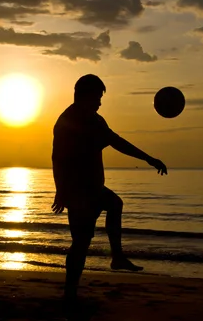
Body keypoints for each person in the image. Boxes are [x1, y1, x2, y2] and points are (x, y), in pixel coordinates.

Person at [52, 74, 168, 306]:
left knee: (114, 205)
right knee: (81, 243)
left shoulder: (95, 120)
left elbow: (117, 142)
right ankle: (70, 292)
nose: (99, 102)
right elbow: (58, 158)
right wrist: (61, 190)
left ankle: (115, 257)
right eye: (97, 97)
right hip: (79, 192)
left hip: (93, 188)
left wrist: (149, 159)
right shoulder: (68, 122)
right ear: (85, 95)